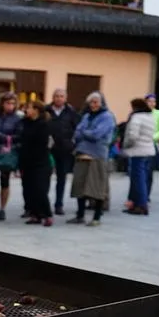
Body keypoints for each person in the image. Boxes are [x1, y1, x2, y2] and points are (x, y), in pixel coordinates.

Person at [69, 91, 116, 226]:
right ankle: (80, 215)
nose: (93, 105)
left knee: (97, 187)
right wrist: (85, 133)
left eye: (96, 102)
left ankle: (96, 217)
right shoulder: (86, 116)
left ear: (102, 103)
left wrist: (84, 133)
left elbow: (97, 134)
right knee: (80, 186)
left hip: (97, 155)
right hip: (82, 154)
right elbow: (77, 133)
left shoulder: (107, 117)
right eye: (91, 102)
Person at [18, 100, 53, 226]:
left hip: (40, 162)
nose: (26, 110)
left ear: (36, 110)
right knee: (29, 189)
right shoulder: (25, 123)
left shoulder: (43, 125)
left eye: (29, 108)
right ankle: (35, 214)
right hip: (26, 161)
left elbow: (41, 144)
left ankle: (47, 214)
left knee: (40, 189)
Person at [120, 98, 157, 216]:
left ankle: (141, 205)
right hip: (148, 151)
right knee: (143, 178)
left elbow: (132, 136)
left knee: (138, 180)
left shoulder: (136, 118)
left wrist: (125, 146)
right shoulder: (150, 117)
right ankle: (138, 203)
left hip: (137, 151)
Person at [47, 88, 80, 216]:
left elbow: (77, 129)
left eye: (61, 96)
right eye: (56, 96)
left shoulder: (71, 112)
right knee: (45, 177)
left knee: (62, 177)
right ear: (53, 97)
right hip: (48, 149)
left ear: (65, 98)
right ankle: (43, 203)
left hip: (65, 149)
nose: (59, 98)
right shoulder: (47, 110)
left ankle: (58, 204)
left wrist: (72, 144)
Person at [0, 92, 22, 221]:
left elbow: (19, 136)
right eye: (8, 103)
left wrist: (5, 137)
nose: (10, 106)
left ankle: (2, 208)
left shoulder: (17, 119)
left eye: (12, 103)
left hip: (7, 151)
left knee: (5, 181)